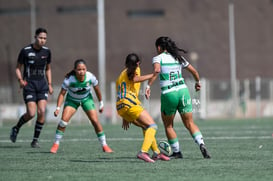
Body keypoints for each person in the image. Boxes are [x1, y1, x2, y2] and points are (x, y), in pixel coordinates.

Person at [145, 36, 211, 159]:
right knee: (190, 123)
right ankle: (201, 143)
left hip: (169, 94)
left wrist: (148, 86)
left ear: (159, 47)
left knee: (169, 125)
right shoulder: (178, 57)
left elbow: (157, 71)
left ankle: (177, 152)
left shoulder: (158, 58)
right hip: (183, 91)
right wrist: (197, 82)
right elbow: (194, 71)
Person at [50, 59, 113, 154]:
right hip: (72, 100)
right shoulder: (69, 80)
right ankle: (56, 144)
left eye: (83, 69)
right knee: (63, 122)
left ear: (86, 69)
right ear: (75, 70)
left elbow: (97, 90)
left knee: (95, 121)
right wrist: (58, 108)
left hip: (86, 99)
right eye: (79, 69)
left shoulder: (90, 77)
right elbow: (62, 94)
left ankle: (104, 145)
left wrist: (101, 103)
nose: (82, 71)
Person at [116, 53, 170, 163]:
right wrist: (152, 75)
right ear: (137, 63)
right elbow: (136, 79)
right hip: (130, 103)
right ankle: (143, 152)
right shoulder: (135, 69)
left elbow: (127, 85)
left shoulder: (122, 75)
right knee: (152, 126)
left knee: (146, 127)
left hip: (121, 107)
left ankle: (156, 153)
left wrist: (125, 116)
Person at [10, 27, 54, 148]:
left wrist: (50, 84)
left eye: (45, 38)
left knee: (42, 111)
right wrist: (20, 80)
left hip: (42, 85)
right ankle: (16, 128)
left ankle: (35, 140)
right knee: (31, 113)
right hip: (29, 85)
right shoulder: (25, 51)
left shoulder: (47, 51)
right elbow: (18, 68)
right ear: (35, 37)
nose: (42, 40)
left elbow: (48, 69)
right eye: (40, 38)